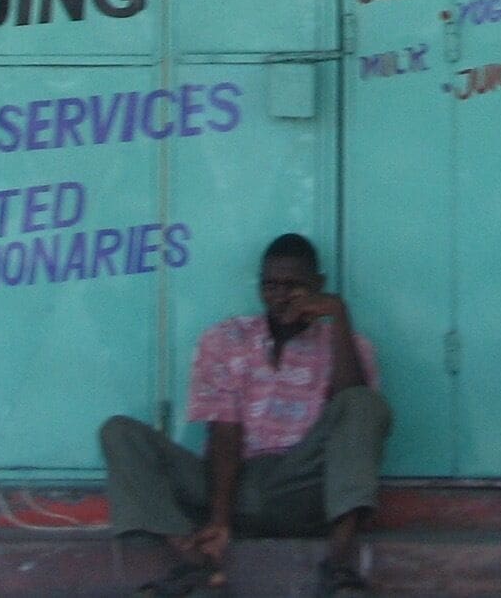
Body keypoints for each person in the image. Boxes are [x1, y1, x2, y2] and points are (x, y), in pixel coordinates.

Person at [101, 234, 391, 598]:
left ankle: (338, 568)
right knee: (119, 433)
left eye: (294, 286)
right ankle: (195, 562)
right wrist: (220, 519)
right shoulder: (226, 338)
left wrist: (339, 317)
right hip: (231, 486)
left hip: (301, 490)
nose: (280, 296)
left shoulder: (351, 345)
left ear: (317, 286)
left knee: (364, 404)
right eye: (270, 285)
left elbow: (354, 410)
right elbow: (224, 434)